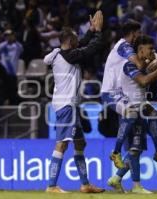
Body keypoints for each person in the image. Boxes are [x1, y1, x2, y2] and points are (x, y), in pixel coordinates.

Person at [43, 10, 104, 194]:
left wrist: (91, 31)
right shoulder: (70, 56)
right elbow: (92, 48)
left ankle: (85, 184)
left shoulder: (60, 53)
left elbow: (84, 43)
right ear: (70, 42)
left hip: (70, 105)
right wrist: (99, 32)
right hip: (66, 105)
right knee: (62, 144)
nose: (78, 41)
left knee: (80, 143)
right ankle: (52, 185)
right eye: (75, 39)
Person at [101, 21, 157, 169]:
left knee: (153, 115)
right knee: (132, 117)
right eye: (139, 33)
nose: (140, 35)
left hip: (130, 97)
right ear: (133, 33)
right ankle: (115, 152)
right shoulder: (125, 48)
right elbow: (142, 73)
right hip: (112, 93)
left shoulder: (142, 53)